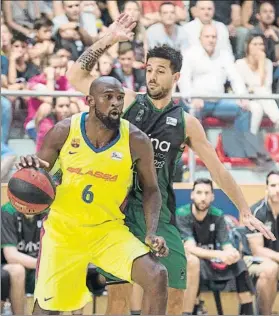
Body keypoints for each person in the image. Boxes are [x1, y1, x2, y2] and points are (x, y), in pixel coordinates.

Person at [67, 13, 275, 315]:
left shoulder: (187, 124)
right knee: (118, 299)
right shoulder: (126, 100)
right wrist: (109, 39)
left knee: (175, 295)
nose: (151, 76)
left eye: (160, 71)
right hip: (119, 213)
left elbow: (217, 169)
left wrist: (243, 208)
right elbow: (76, 76)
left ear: (175, 77)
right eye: (148, 69)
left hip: (160, 216)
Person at [18, 80, 169, 313]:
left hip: (107, 231)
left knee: (157, 275)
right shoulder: (64, 131)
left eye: (119, 97)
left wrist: (151, 232)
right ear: (89, 101)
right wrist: (30, 167)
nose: (115, 103)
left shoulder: (136, 140)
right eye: (108, 97)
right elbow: (40, 173)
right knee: (46, 310)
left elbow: (151, 189)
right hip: (63, 232)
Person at [175, 178, 255, 315]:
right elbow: (190, 248)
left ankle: (247, 311)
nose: (203, 198)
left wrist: (232, 253)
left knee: (240, 264)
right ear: (192, 195)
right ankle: (192, 309)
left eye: (207, 193)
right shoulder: (182, 214)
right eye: (199, 193)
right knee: (194, 263)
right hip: (191, 262)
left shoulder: (217, 215)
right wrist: (220, 254)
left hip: (213, 260)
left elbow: (226, 244)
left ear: (212, 197)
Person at [245, 170, 279, 314]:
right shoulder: (257, 212)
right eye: (273, 185)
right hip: (253, 260)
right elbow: (257, 250)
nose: (277, 190)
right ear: (266, 188)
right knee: (270, 269)